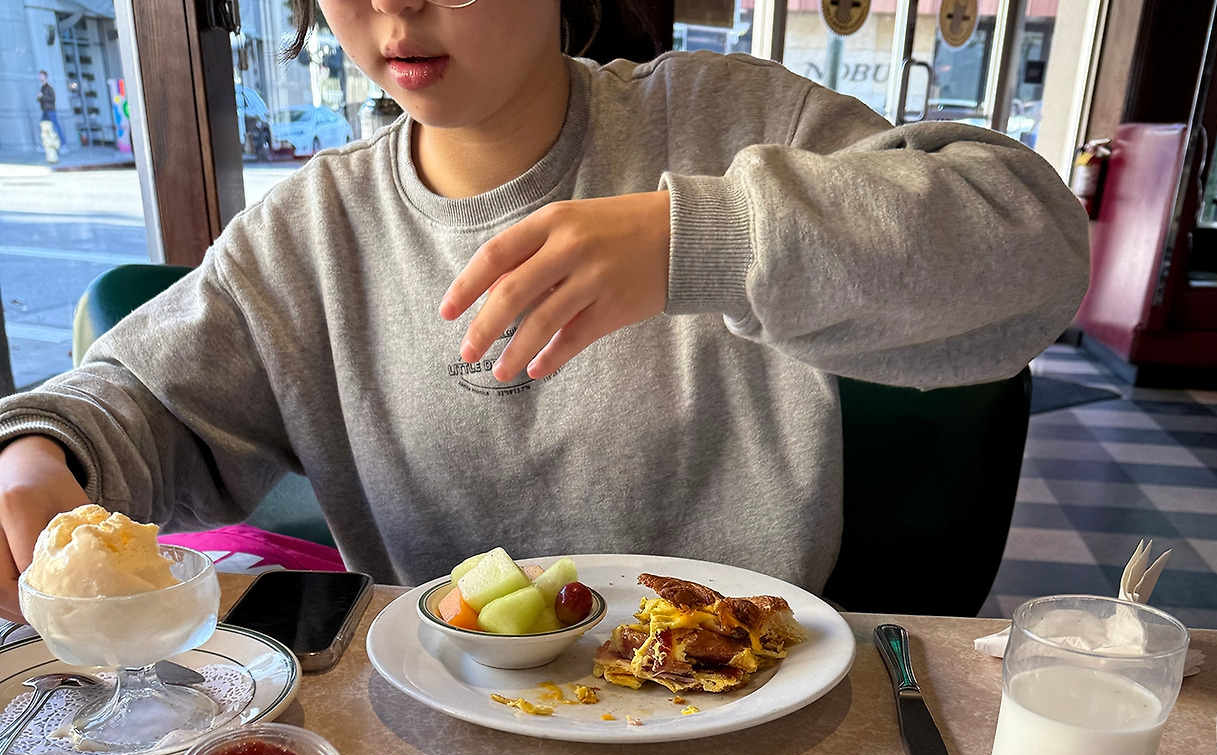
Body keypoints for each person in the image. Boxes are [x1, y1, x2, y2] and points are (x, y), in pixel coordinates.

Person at [0, 0, 1089, 619]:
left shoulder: (729, 121)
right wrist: (41, 456)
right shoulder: (311, 232)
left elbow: (1030, 248)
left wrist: (697, 242)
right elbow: (140, 398)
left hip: (738, 702)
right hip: (447, 732)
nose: (393, 9)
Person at [36, 71, 65, 148]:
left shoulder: (49, 88)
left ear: (45, 77)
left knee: (56, 126)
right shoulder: (42, 87)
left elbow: (52, 99)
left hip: (51, 110)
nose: (40, 77)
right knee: (43, 128)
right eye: (39, 76)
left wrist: (42, 97)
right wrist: (39, 97)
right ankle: (44, 145)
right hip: (45, 110)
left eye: (41, 76)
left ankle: (64, 144)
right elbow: (40, 99)